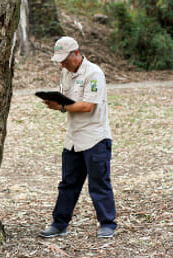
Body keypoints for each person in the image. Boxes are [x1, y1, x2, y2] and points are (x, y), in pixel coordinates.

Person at [40, 36, 117, 238]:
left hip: (95, 138)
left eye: (65, 60)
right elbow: (68, 99)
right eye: (60, 61)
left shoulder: (94, 73)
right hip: (73, 139)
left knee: (99, 183)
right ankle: (59, 223)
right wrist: (56, 101)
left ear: (76, 53)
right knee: (67, 184)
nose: (63, 64)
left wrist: (62, 106)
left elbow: (87, 105)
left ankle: (107, 223)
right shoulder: (66, 73)